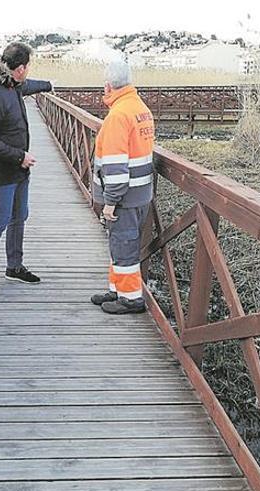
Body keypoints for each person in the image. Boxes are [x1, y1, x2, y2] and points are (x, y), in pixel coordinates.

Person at [0, 42, 52, 296]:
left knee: (20, 216)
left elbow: (29, 86)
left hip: (19, 169)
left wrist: (49, 85)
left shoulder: (13, 85)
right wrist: (19, 156)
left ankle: (14, 267)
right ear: (19, 69)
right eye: (27, 67)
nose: (28, 72)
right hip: (2, 170)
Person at [89, 59, 155, 314]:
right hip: (140, 193)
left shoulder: (118, 116)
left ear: (108, 86)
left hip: (124, 198)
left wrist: (110, 202)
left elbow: (116, 165)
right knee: (120, 243)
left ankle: (130, 298)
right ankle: (117, 289)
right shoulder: (140, 108)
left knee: (124, 245)